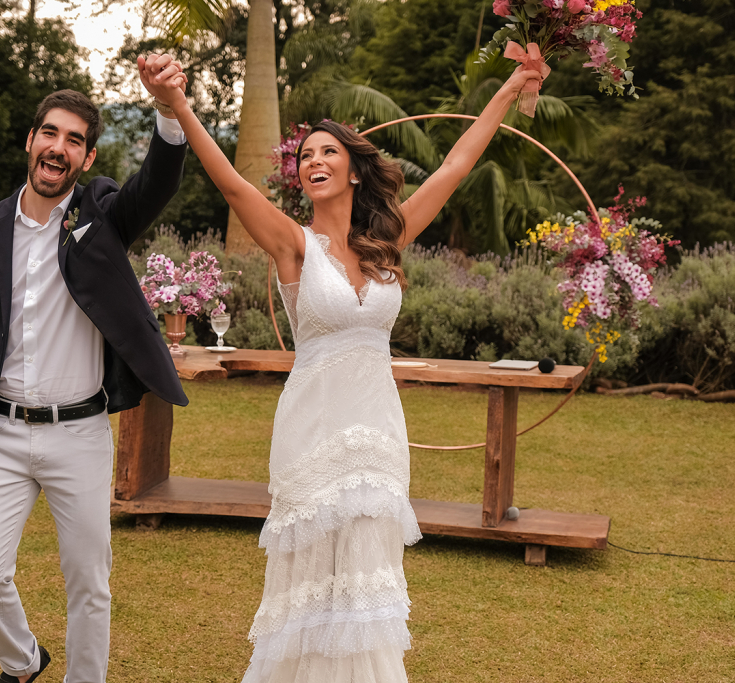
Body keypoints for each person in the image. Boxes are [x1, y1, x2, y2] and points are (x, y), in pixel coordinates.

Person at [144, 55, 542, 681]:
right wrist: (181, 106)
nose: (315, 163)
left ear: (354, 169)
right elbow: (233, 187)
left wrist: (512, 88)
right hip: (314, 425)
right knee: (313, 568)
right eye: (305, 157)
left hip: (376, 426)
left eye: (327, 152)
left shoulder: (389, 241)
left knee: (365, 564)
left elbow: (455, 166)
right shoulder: (293, 243)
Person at [0, 58, 192, 683]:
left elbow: (155, 183)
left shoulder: (99, 215)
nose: (58, 147)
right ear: (31, 141)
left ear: (87, 156)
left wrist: (166, 109)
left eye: (74, 140)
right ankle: (22, 660)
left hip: (79, 435)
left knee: (88, 584)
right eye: (50, 133)